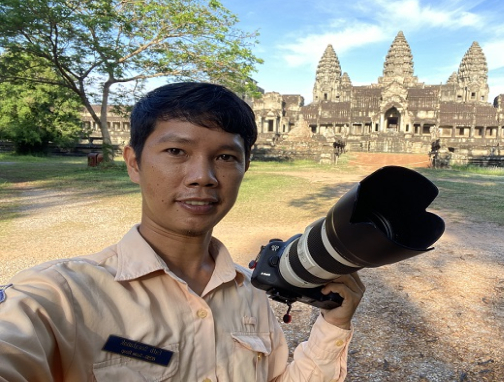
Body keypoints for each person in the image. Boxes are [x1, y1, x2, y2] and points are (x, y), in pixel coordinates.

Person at [0, 82, 365, 381]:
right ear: (134, 163)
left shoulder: (250, 292)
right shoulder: (57, 297)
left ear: (244, 167)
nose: (202, 177)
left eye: (225, 157)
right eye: (177, 151)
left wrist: (333, 324)